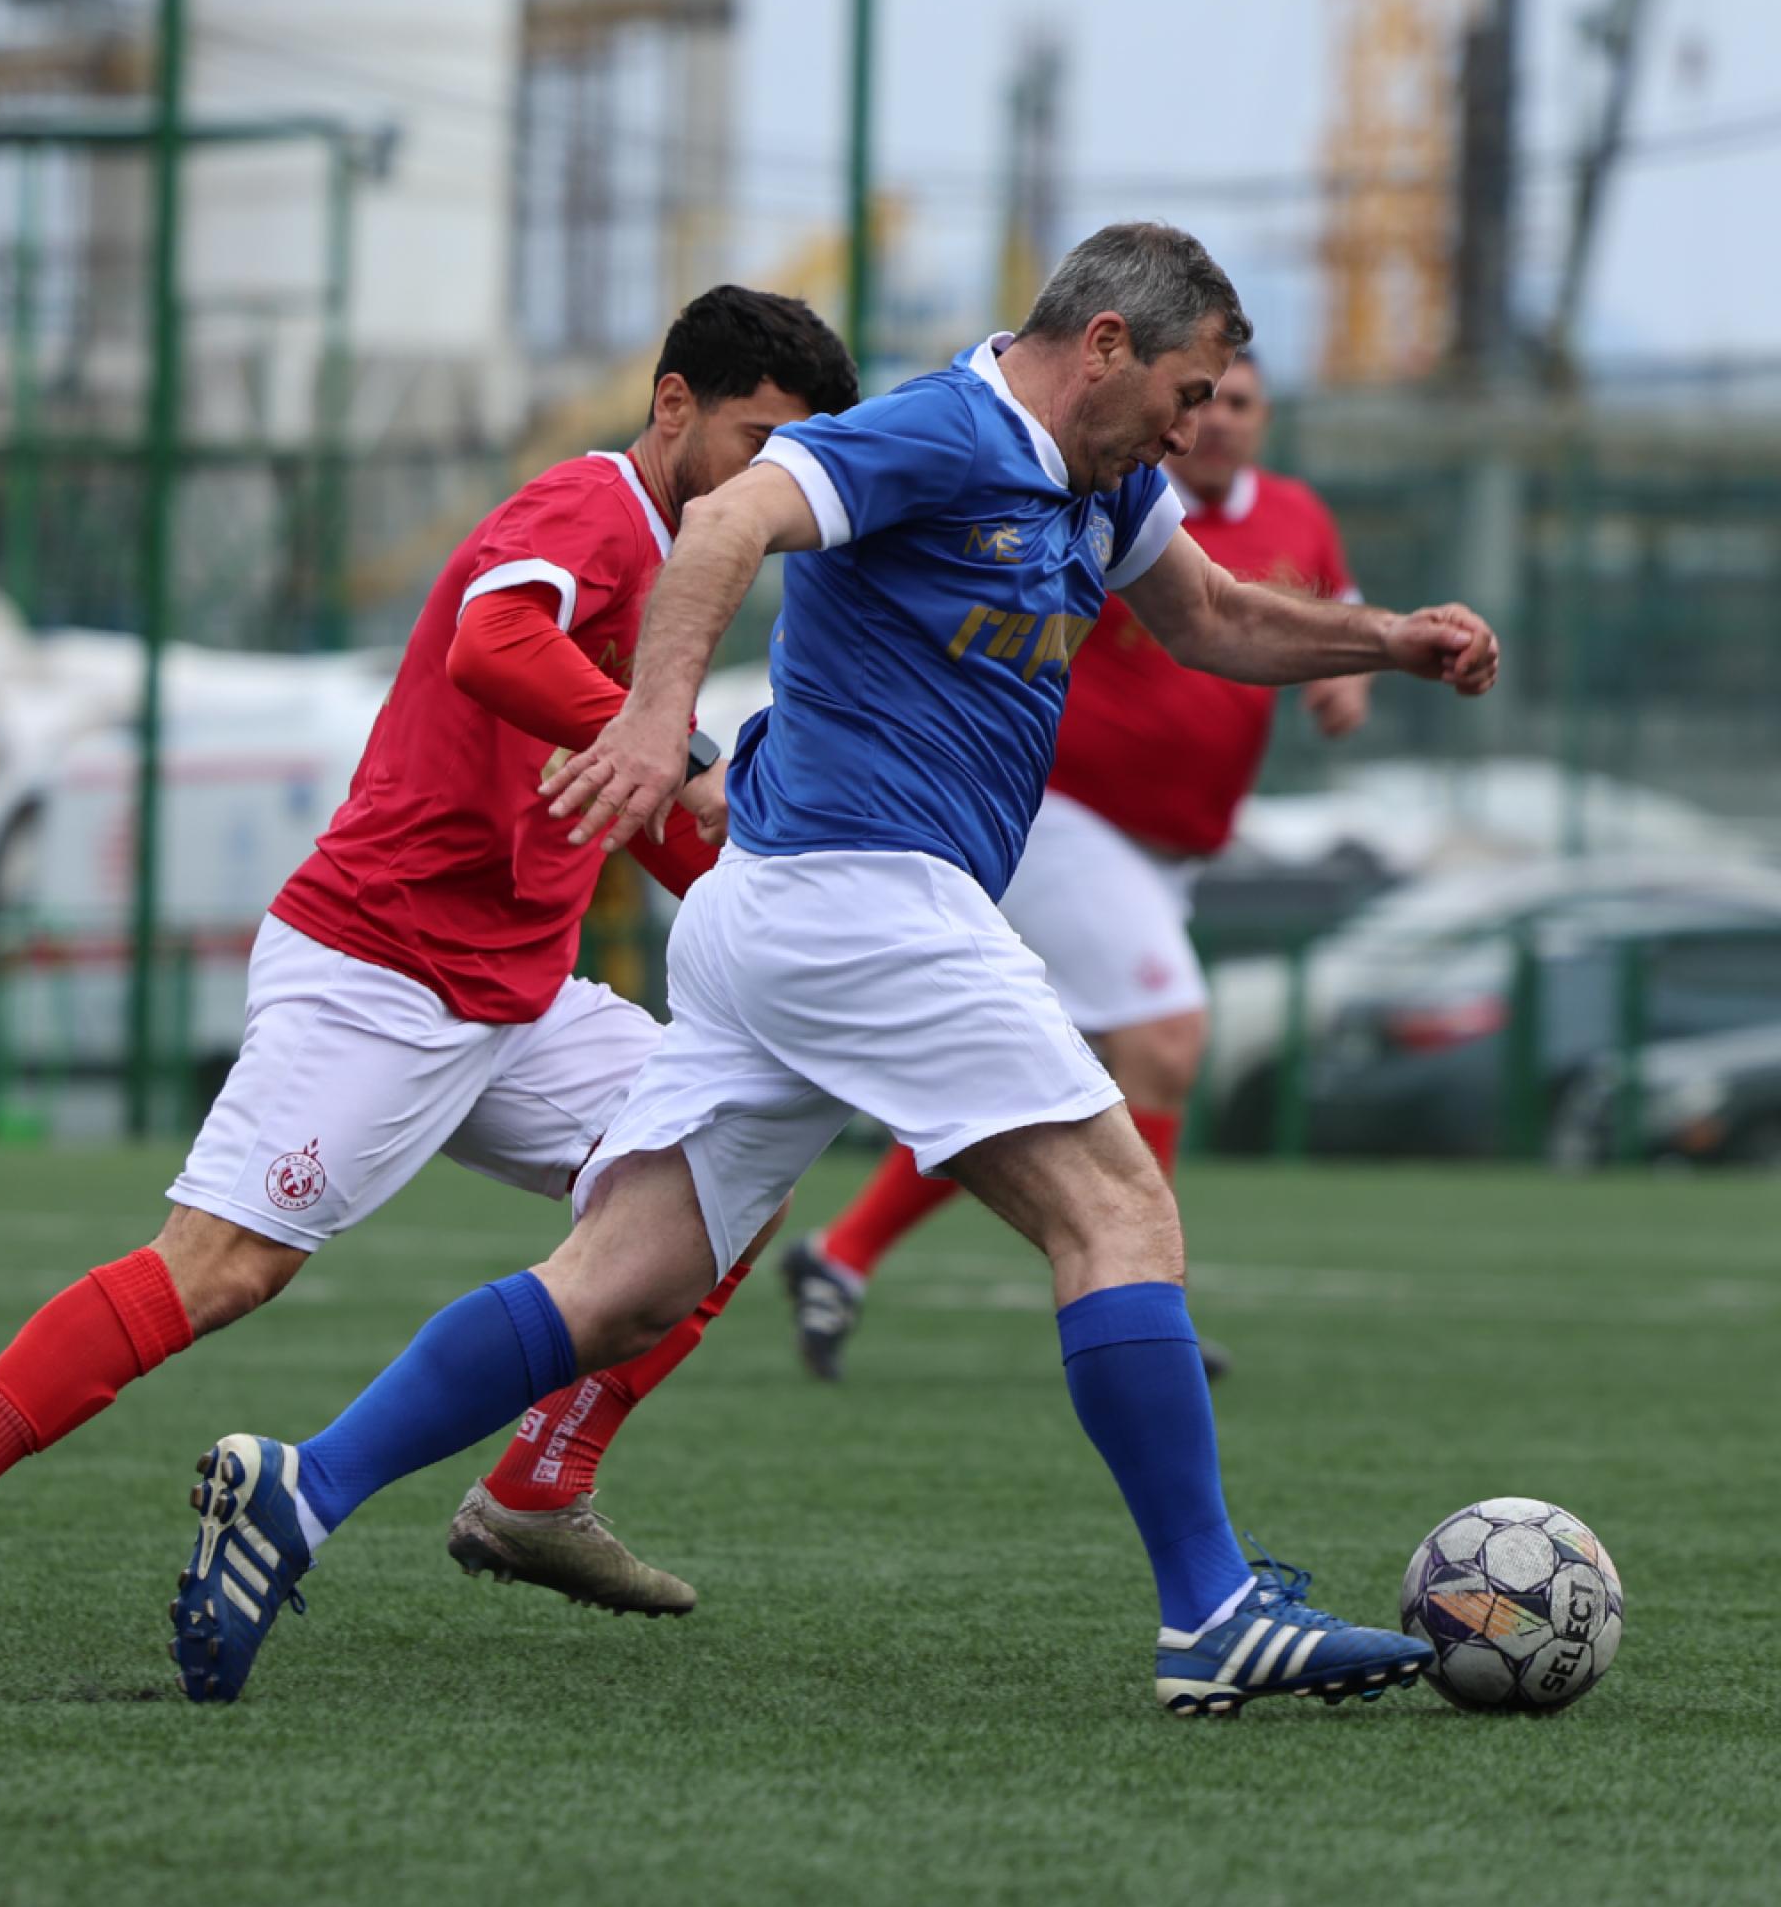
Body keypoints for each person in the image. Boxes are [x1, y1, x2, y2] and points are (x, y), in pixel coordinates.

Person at [168, 221, 1498, 1717]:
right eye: (1188, 395)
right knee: (1119, 1210)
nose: (1194, 432)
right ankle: (1213, 1609)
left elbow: (1212, 616)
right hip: (867, 895)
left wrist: (1386, 640)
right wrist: (656, 721)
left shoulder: (1102, 480)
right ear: (1106, 346)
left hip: (781, 910)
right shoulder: (943, 430)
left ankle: (303, 1491)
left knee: (625, 1282)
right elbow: (730, 523)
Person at [0, 285, 859, 1670]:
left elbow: (633, 796)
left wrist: (782, 908)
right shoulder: (595, 509)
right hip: (379, 968)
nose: (772, 481)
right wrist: (674, 750)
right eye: (759, 440)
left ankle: (539, 1485)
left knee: (725, 1179)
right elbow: (493, 646)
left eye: (797, 457)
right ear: (674, 406)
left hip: (516, 993)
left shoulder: (690, 561)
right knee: (222, 1267)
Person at [782, 347, 1365, 1381]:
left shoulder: (1297, 517)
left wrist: (1350, 672)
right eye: (1204, 399)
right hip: (1066, 817)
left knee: (1043, 1078)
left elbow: (1317, 620)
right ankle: (1149, 1300)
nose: (1220, 420)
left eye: (1240, 402)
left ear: (1264, 418)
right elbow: (1187, 617)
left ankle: (843, 1254)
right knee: (1167, 1034)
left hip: (1174, 851)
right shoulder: (1114, 496)